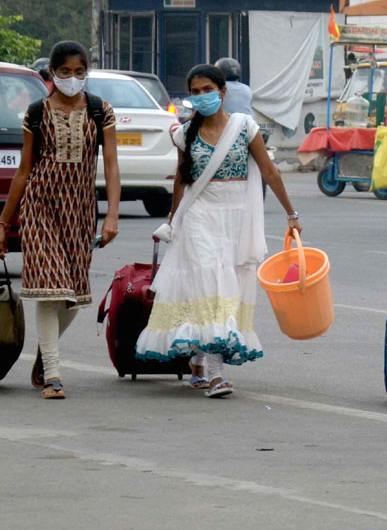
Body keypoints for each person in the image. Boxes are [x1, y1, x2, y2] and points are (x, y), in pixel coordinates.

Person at [136, 64, 304, 399]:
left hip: (236, 215)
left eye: (207, 90)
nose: (202, 97)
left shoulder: (245, 127)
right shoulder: (185, 133)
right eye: (195, 92)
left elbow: (270, 171)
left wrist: (291, 213)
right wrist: (173, 221)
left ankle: (199, 363)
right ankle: (215, 375)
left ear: (223, 92)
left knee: (223, 286)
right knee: (213, 281)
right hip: (200, 215)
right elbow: (182, 180)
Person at [0, 41, 119, 399]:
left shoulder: (101, 111)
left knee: (73, 297)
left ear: (87, 73)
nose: (72, 78)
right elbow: (23, 171)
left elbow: (111, 166)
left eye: (79, 72)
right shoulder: (36, 113)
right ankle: (53, 375)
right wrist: (4, 221)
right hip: (40, 206)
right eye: (65, 72)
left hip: (81, 210)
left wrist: (112, 213)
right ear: (52, 73)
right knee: (50, 293)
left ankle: (42, 356)